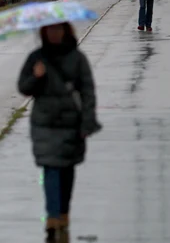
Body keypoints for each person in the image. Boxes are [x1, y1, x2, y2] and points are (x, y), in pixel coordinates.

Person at [17, 22, 102, 242]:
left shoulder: (77, 58)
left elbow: (88, 92)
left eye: (58, 29)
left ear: (65, 31)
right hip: (44, 124)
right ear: (44, 32)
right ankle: (53, 219)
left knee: (66, 171)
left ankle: (63, 214)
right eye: (50, 30)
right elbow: (23, 87)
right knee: (51, 170)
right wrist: (36, 76)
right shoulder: (37, 57)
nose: (54, 34)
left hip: (70, 124)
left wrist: (87, 122)